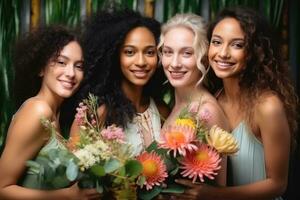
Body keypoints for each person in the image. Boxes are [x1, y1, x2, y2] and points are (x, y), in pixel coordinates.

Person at [177, 6, 298, 200]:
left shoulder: (267, 107)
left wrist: (215, 195)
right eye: (216, 42)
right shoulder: (213, 99)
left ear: (255, 52)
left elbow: (278, 184)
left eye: (237, 45)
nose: (223, 53)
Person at [0, 25, 100, 200]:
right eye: (61, 62)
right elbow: (2, 189)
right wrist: (68, 195)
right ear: (40, 68)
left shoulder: (58, 115)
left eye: (79, 66)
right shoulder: (38, 111)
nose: (71, 73)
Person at [70, 9, 169, 156]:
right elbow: (75, 172)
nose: (141, 62)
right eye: (130, 52)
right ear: (115, 56)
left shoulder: (161, 110)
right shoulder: (96, 114)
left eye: (149, 52)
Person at [158, 13, 230, 193]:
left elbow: (216, 192)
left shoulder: (207, 112)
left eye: (187, 53)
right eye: (168, 52)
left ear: (204, 57)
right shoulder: (174, 105)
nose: (174, 63)